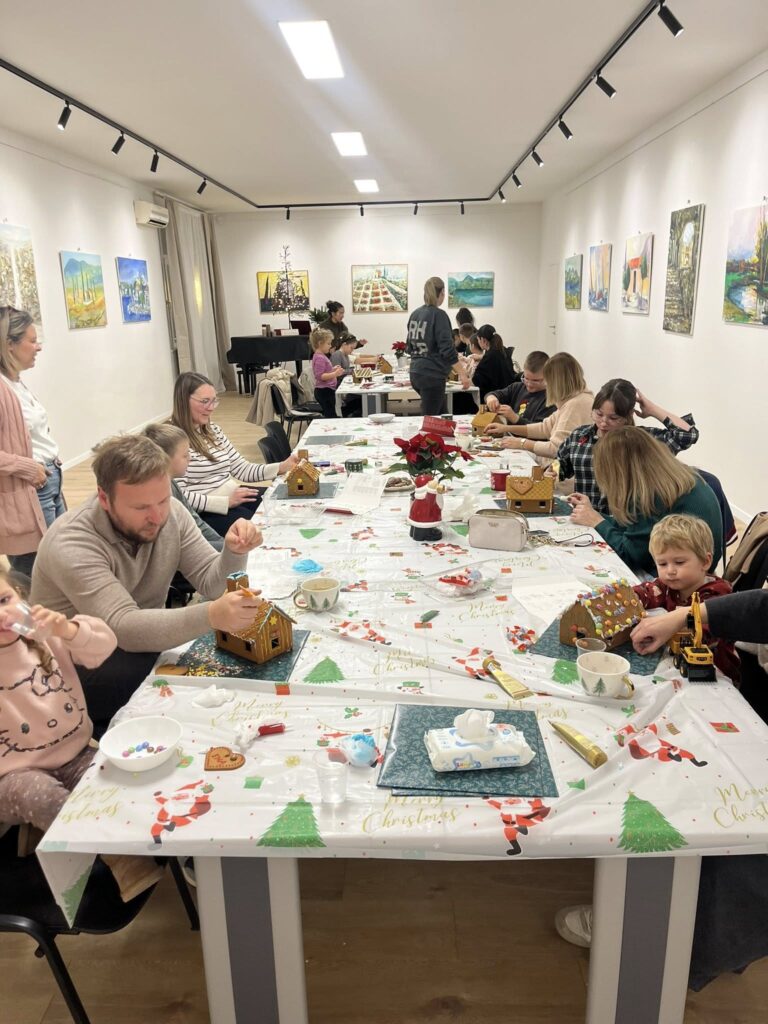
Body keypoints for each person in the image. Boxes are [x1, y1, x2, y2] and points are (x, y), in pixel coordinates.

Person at [31, 434, 265, 736]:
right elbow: (124, 628)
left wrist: (233, 552)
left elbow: (212, 583)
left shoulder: (172, 513)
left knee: (226, 672)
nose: (157, 517)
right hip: (72, 673)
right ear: (104, 499)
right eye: (141, 507)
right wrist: (211, 615)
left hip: (135, 646)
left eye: (163, 500)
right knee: (203, 689)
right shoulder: (71, 543)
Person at [0, 567, 164, 900]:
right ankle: (119, 858)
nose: (2, 615)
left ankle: (72, 832)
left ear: (20, 595)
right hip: (14, 777)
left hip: (75, 753)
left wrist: (67, 629)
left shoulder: (43, 636)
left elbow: (105, 645)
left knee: (113, 779)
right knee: (37, 793)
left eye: (5, 600)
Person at [568, 427, 723, 575]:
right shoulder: (671, 477)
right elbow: (635, 529)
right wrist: (593, 515)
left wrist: (596, 521)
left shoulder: (650, 494)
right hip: (697, 567)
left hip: (683, 578)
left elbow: (630, 556)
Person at [171, 372, 297, 536]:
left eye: (214, 401)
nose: (211, 407)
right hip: (205, 511)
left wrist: (282, 466)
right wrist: (224, 503)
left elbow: (242, 469)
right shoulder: (172, 440)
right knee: (262, 530)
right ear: (183, 401)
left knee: (285, 503)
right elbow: (177, 496)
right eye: (204, 401)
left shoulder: (213, 430)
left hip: (231, 496)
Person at [556, 378, 699, 513]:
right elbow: (561, 465)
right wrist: (553, 471)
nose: (603, 422)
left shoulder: (641, 441)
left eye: (613, 418)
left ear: (628, 416)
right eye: (599, 414)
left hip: (623, 523)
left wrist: (652, 409)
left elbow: (687, 435)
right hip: (583, 518)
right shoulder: (580, 436)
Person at [632, 514, 737, 679]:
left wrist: (668, 625)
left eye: (679, 562)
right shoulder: (668, 585)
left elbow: (705, 632)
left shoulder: (718, 594)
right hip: (676, 657)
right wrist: (632, 597)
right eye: (662, 564)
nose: (670, 571)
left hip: (717, 668)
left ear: (705, 562)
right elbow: (648, 591)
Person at [0, 306, 64, 577]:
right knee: (38, 576)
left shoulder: (15, 383)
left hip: (48, 481)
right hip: (30, 489)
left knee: (62, 563)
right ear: (9, 344)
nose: (38, 347)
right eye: (33, 340)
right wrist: (29, 467)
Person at [485, 352, 592, 460]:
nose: (547, 386)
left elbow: (556, 449)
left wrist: (522, 443)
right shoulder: (571, 400)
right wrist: (506, 428)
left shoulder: (575, 405)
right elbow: (544, 428)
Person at [143, 423, 223, 552]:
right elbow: (178, 545)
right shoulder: (156, 496)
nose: (189, 459)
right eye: (185, 455)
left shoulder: (173, 484)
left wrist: (222, 542)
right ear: (165, 459)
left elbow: (195, 521)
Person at [406, 276, 471, 415]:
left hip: (416, 372)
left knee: (442, 415)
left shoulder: (415, 314)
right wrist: (462, 374)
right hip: (432, 375)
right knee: (431, 420)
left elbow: (409, 346)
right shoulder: (439, 315)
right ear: (441, 292)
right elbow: (447, 349)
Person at [485, 350, 554, 425]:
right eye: (526, 378)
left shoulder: (551, 399)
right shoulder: (517, 387)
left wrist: (515, 418)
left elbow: (541, 429)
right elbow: (493, 394)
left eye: (535, 380)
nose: (529, 384)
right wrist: (491, 398)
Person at [470, 325, 516, 402]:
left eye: (478, 340)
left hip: (493, 398)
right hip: (508, 395)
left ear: (483, 340)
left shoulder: (490, 357)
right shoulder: (504, 351)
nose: (478, 342)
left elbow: (476, 381)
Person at [311, 327, 344, 419]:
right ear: (320, 343)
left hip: (327, 390)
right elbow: (320, 376)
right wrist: (335, 374)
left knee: (331, 414)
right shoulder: (320, 358)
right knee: (330, 416)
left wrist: (333, 369)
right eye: (328, 343)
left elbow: (324, 371)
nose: (330, 346)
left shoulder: (321, 356)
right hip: (324, 391)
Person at [330, 336, 362, 418]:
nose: (352, 351)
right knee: (360, 397)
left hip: (344, 382)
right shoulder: (337, 354)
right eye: (351, 348)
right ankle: (349, 412)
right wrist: (352, 371)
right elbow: (338, 372)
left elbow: (345, 369)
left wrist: (352, 370)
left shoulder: (346, 355)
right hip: (338, 385)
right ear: (344, 344)